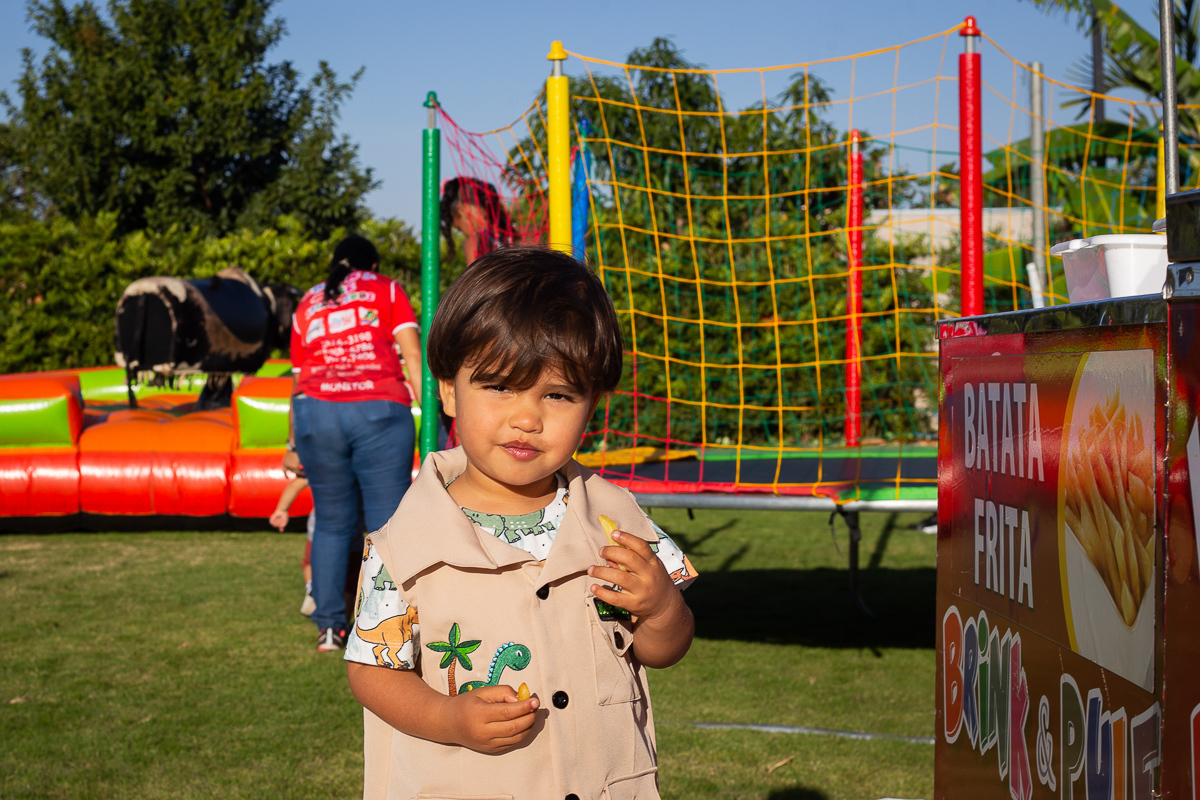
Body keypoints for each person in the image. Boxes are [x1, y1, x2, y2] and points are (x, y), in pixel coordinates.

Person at [343, 246, 697, 799]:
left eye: (557, 395)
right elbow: (371, 670)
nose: (527, 418)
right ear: (446, 389)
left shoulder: (617, 522)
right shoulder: (402, 545)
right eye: (500, 386)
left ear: (592, 404)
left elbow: (662, 649)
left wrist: (662, 609)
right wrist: (448, 717)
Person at [284, 234, 422, 652]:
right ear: (372, 264)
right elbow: (412, 356)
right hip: (377, 409)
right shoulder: (387, 288)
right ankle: (389, 621)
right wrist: (438, 414)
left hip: (316, 413)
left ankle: (330, 626)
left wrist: (290, 440)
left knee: (330, 521)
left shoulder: (308, 300)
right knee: (386, 522)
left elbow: (296, 376)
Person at [269, 472, 317, 616]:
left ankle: (312, 588)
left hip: (323, 525)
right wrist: (281, 509)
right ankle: (312, 590)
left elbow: (298, 482)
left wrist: (281, 509)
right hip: (326, 524)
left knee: (310, 561)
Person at [439, 177, 514, 265]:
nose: (464, 233)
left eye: (459, 229)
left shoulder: (473, 243)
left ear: (462, 210)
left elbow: (474, 279)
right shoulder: (519, 232)